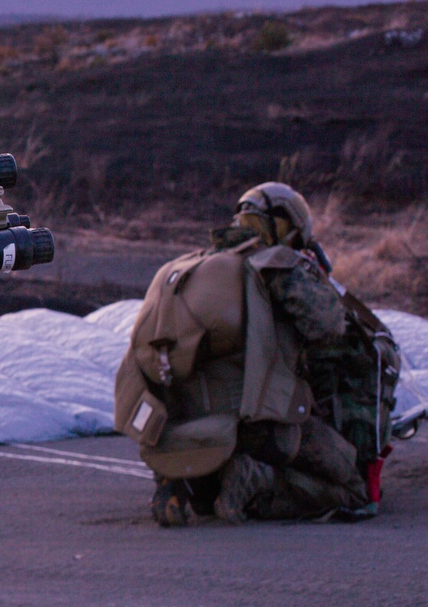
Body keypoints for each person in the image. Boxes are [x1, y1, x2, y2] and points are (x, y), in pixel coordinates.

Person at [114, 181, 399, 527]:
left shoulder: (181, 271)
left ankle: (177, 484)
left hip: (179, 425)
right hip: (258, 426)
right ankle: (259, 481)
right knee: (355, 492)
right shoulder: (276, 264)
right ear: (286, 225)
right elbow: (328, 327)